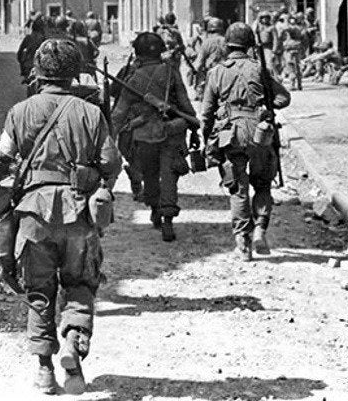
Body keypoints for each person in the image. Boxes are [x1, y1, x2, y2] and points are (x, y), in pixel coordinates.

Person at [0, 38, 121, 395]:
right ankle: (73, 343)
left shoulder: (20, 112)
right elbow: (112, 162)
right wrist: (100, 185)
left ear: (37, 72)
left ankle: (44, 371)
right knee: (80, 283)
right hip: (79, 214)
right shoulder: (91, 113)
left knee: (39, 291)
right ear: (76, 73)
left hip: (33, 216)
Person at [200, 22, 291, 261]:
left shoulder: (217, 72)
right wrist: (266, 104)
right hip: (260, 131)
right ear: (250, 45)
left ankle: (243, 243)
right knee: (262, 183)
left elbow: (207, 112)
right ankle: (260, 228)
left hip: (231, 133)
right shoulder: (259, 69)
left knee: (237, 187)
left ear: (228, 46)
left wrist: (206, 138)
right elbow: (283, 98)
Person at [111, 31, 197, 242]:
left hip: (144, 135)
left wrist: (109, 137)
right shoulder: (170, 72)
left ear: (137, 53)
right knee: (169, 174)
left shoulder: (134, 78)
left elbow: (119, 112)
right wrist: (193, 125)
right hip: (171, 131)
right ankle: (168, 219)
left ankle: (155, 208)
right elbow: (185, 103)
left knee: (150, 174)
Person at [190, 17, 228, 100]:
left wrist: (194, 76)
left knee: (207, 106)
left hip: (211, 77)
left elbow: (199, 63)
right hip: (226, 77)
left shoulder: (207, 42)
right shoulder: (227, 41)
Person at [18, 17, 47, 92]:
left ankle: (26, 78)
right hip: (41, 66)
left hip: (29, 65)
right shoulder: (44, 39)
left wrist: (21, 63)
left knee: (29, 85)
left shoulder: (28, 38)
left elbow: (20, 52)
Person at [279, 14, 306, 91]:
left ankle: (293, 84)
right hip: (295, 48)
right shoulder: (300, 28)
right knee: (296, 67)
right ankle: (299, 84)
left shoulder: (293, 28)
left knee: (291, 66)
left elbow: (287, 30)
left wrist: (285, 20)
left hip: (290, 48)